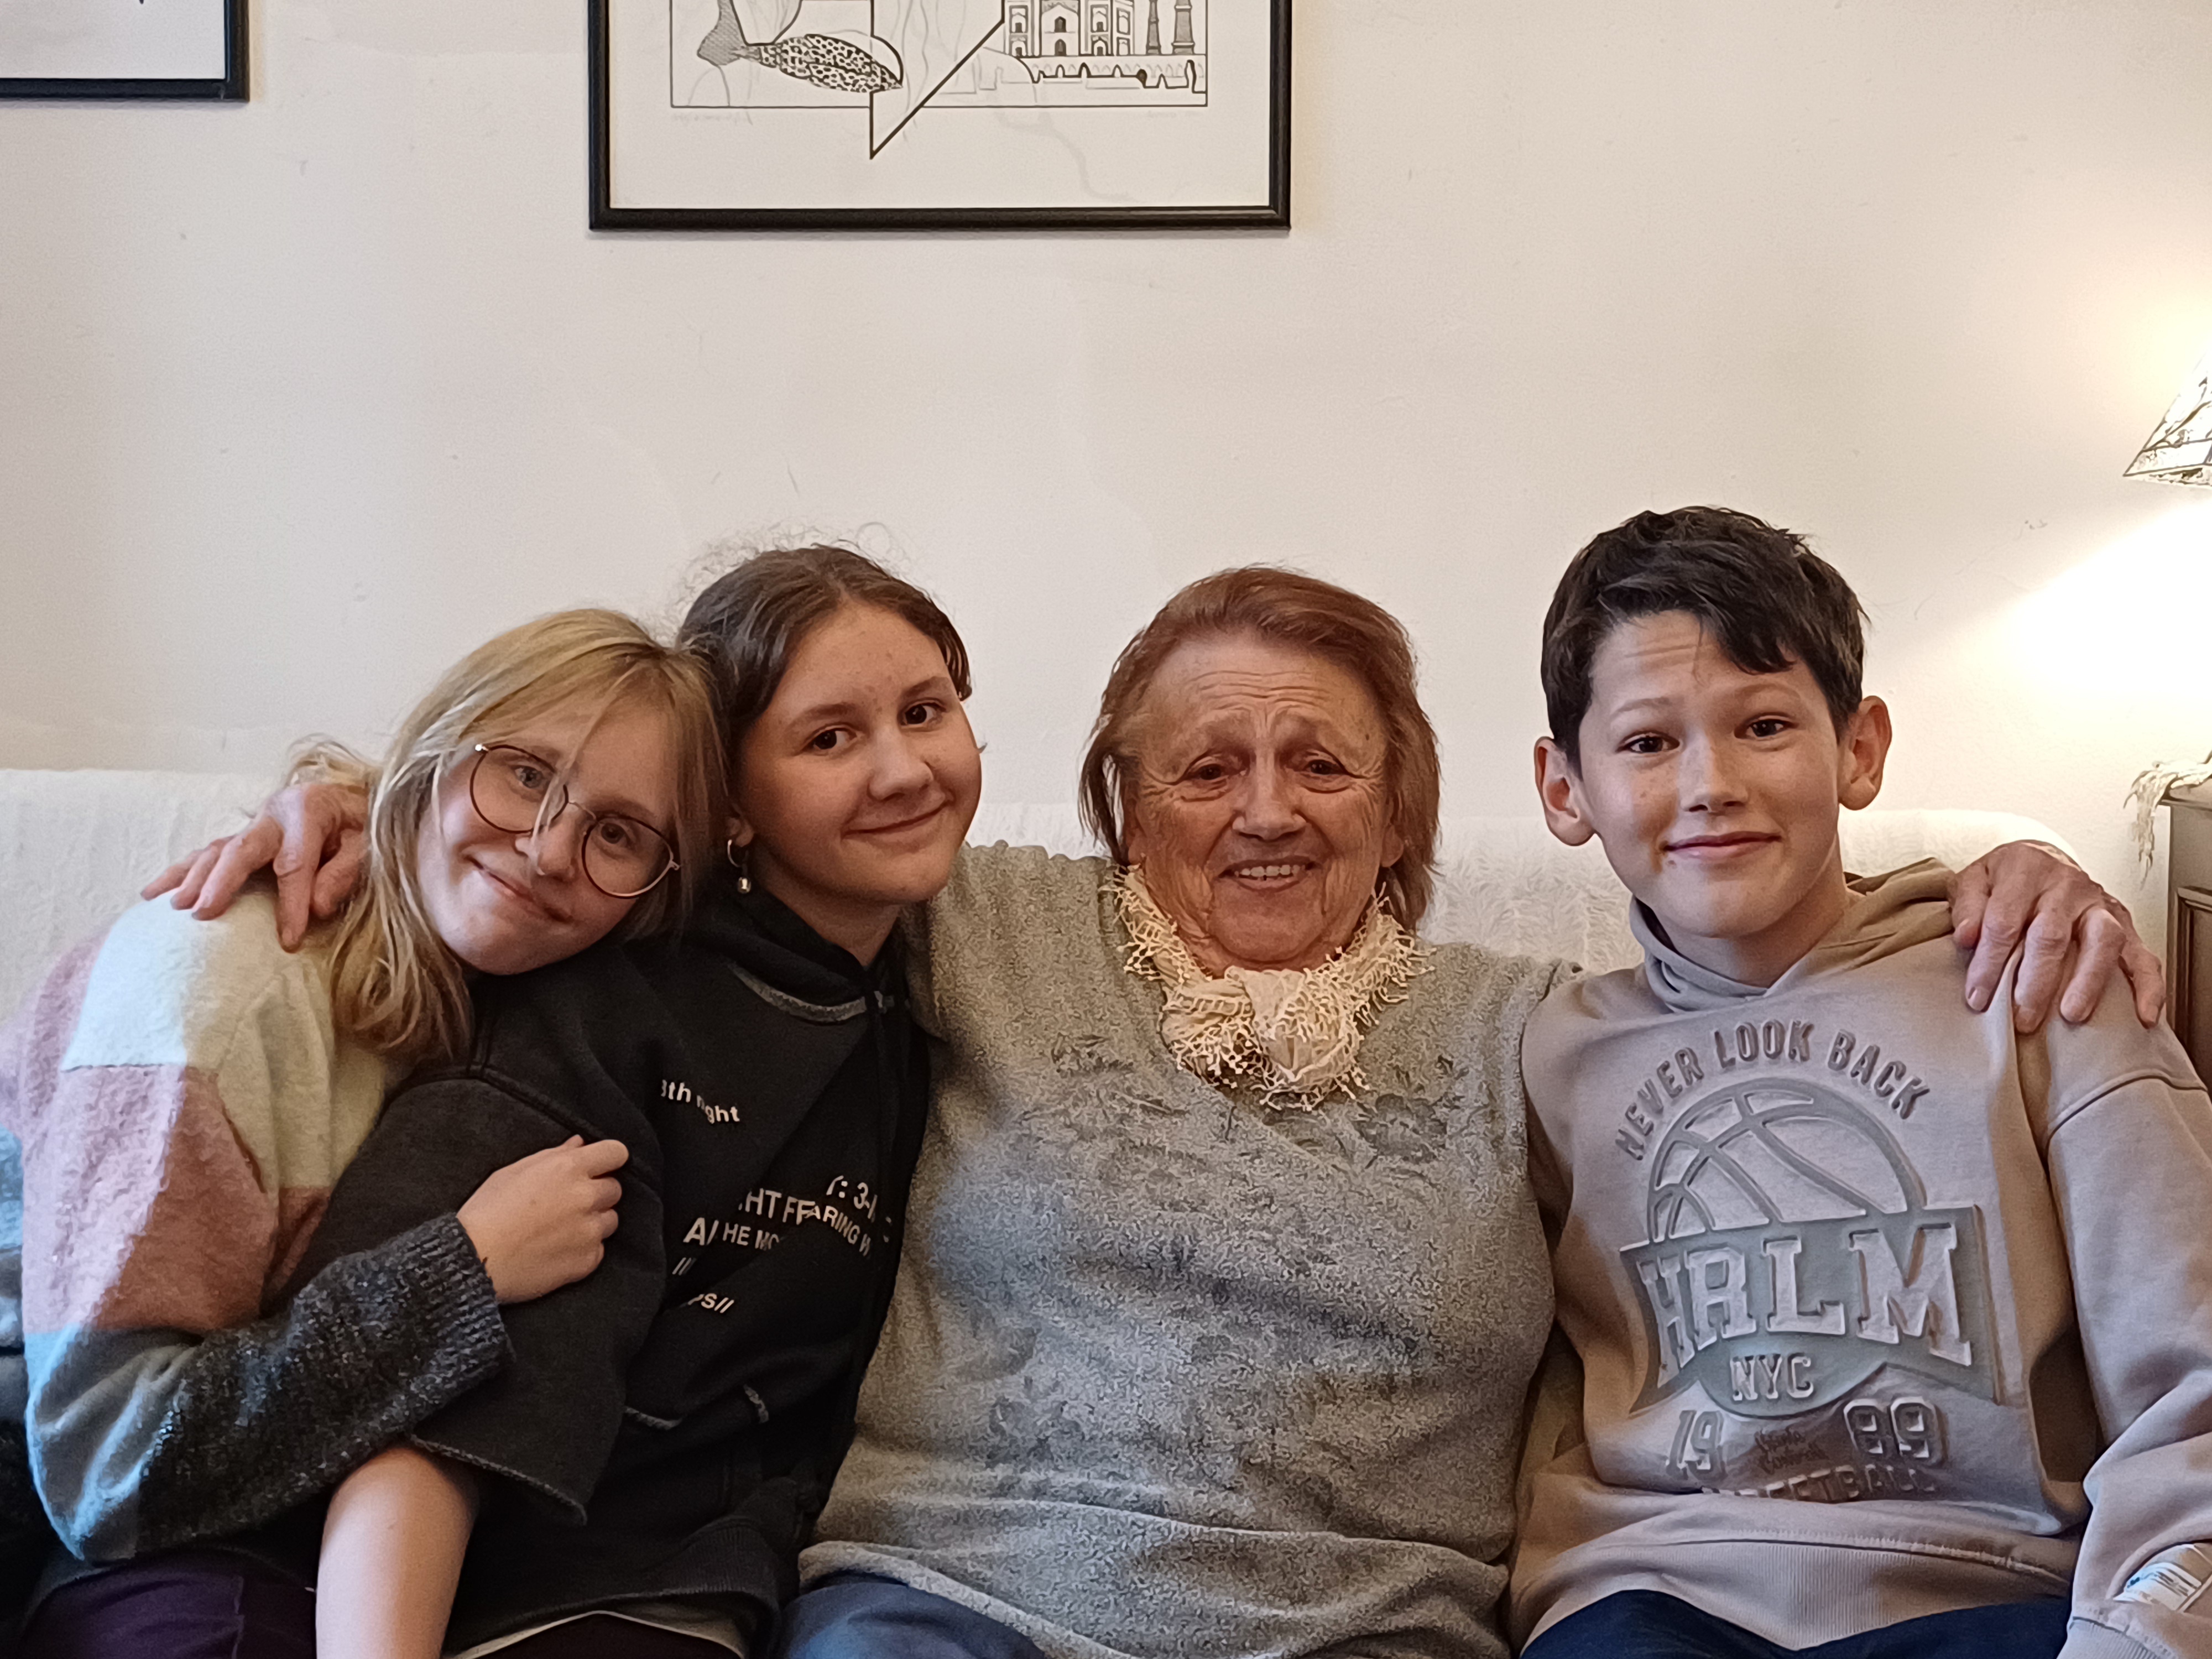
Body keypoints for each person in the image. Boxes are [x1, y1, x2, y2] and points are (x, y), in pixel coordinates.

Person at [168, 563, 2162, 1659]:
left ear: (1407, 805)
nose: (1266, 811)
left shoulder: (1531, 1027)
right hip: (952, 1597)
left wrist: (2004, 877)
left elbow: (1753, 985)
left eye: (1323, 765)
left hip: (1368, 1627)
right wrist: (372, 798)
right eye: (1205, 769)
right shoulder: (975, 928)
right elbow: (678, 798)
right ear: (1119, 802)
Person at [158, 546, 984, 1659]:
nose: (901, 772)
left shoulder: (952, 962)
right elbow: (441, 1424)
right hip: (536, 1583)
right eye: (828, 738)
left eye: (925, 712)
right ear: (729, 806)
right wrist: (364, 798)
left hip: (752, 1566)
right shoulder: (603, 1011)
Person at [1511, 507, 2212, 1659]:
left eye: (1763, 725)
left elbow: (2191, 1389)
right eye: (1646, 742)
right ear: (1563, 788)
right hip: (1643, 1598)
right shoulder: (1541, 1054)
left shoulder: (2038, 983)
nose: (1710, 783)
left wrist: (2142, 1628)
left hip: (1988, 1594)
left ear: (1860, 749)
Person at [0, 608, 727, 1657]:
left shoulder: (517, 983)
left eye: (616, 833)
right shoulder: (222, 995)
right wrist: (462, 1271)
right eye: (524, 774)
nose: (547, 851)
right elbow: (106, 1468)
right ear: (435, 752)